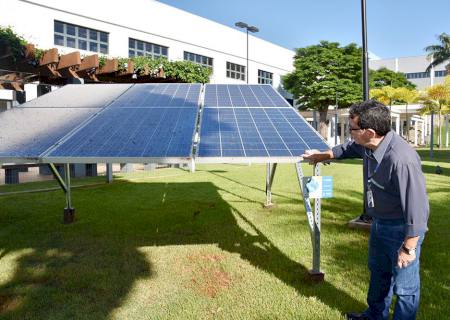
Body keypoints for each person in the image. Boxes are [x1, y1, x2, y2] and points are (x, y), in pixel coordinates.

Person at [302, 100, 429, 320]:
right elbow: (348, 148)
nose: (350, 134)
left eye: (352, 129)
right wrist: (323, 155)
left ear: (369, 132)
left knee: (405, 288)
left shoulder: (401, 159)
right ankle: (374, 316)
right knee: (379, 274)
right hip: (379, 223)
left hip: (402, 231)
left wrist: (408, 248)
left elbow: (417, 208)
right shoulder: (369, 144)